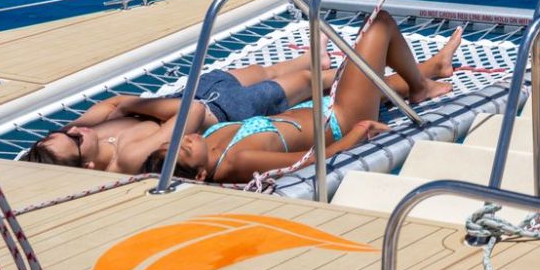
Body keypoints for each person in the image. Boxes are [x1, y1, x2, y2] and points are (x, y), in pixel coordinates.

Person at [166, 11, 460, 183]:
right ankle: (421, 87)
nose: (187, 140)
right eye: (186, 150)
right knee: (378, 24)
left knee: (369, 76)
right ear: (202, 175)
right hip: (343, 119)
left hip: (317, 109)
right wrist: (357, 133)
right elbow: (307, 161)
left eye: (179, 143)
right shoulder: (236, 161)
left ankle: (433, 69)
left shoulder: (211, 142)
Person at [23, 53, 340, 173]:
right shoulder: (130, 157)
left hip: (193, 93)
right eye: (75, 140)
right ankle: (353, 74)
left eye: (66, 132)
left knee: (264, 70)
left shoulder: (84, 135)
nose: (76, 131)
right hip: (222, 108)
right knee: (305, 82)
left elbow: (109, 106)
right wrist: (131, 104)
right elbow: (194, 112)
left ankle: (317, 56)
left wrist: (120, 107)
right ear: (88, 165)